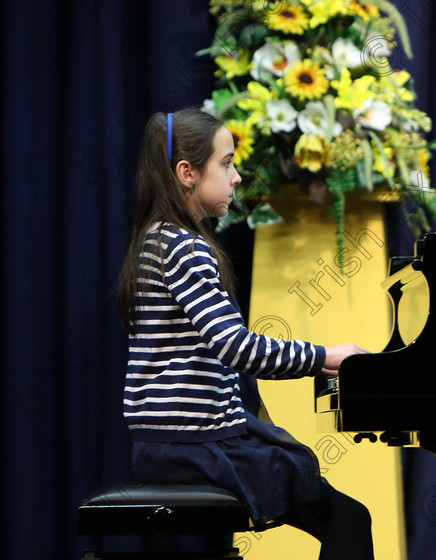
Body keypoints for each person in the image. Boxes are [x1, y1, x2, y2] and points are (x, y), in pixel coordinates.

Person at [117, 107, 374, 559]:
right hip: (192, 446)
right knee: (350, 518)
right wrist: (327, 356)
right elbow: (237, 347)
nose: (237, 177)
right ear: (187, 173)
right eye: (227, 162)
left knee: (331, 500)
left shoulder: (157, 238)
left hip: (169, 442)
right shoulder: (183, 246)